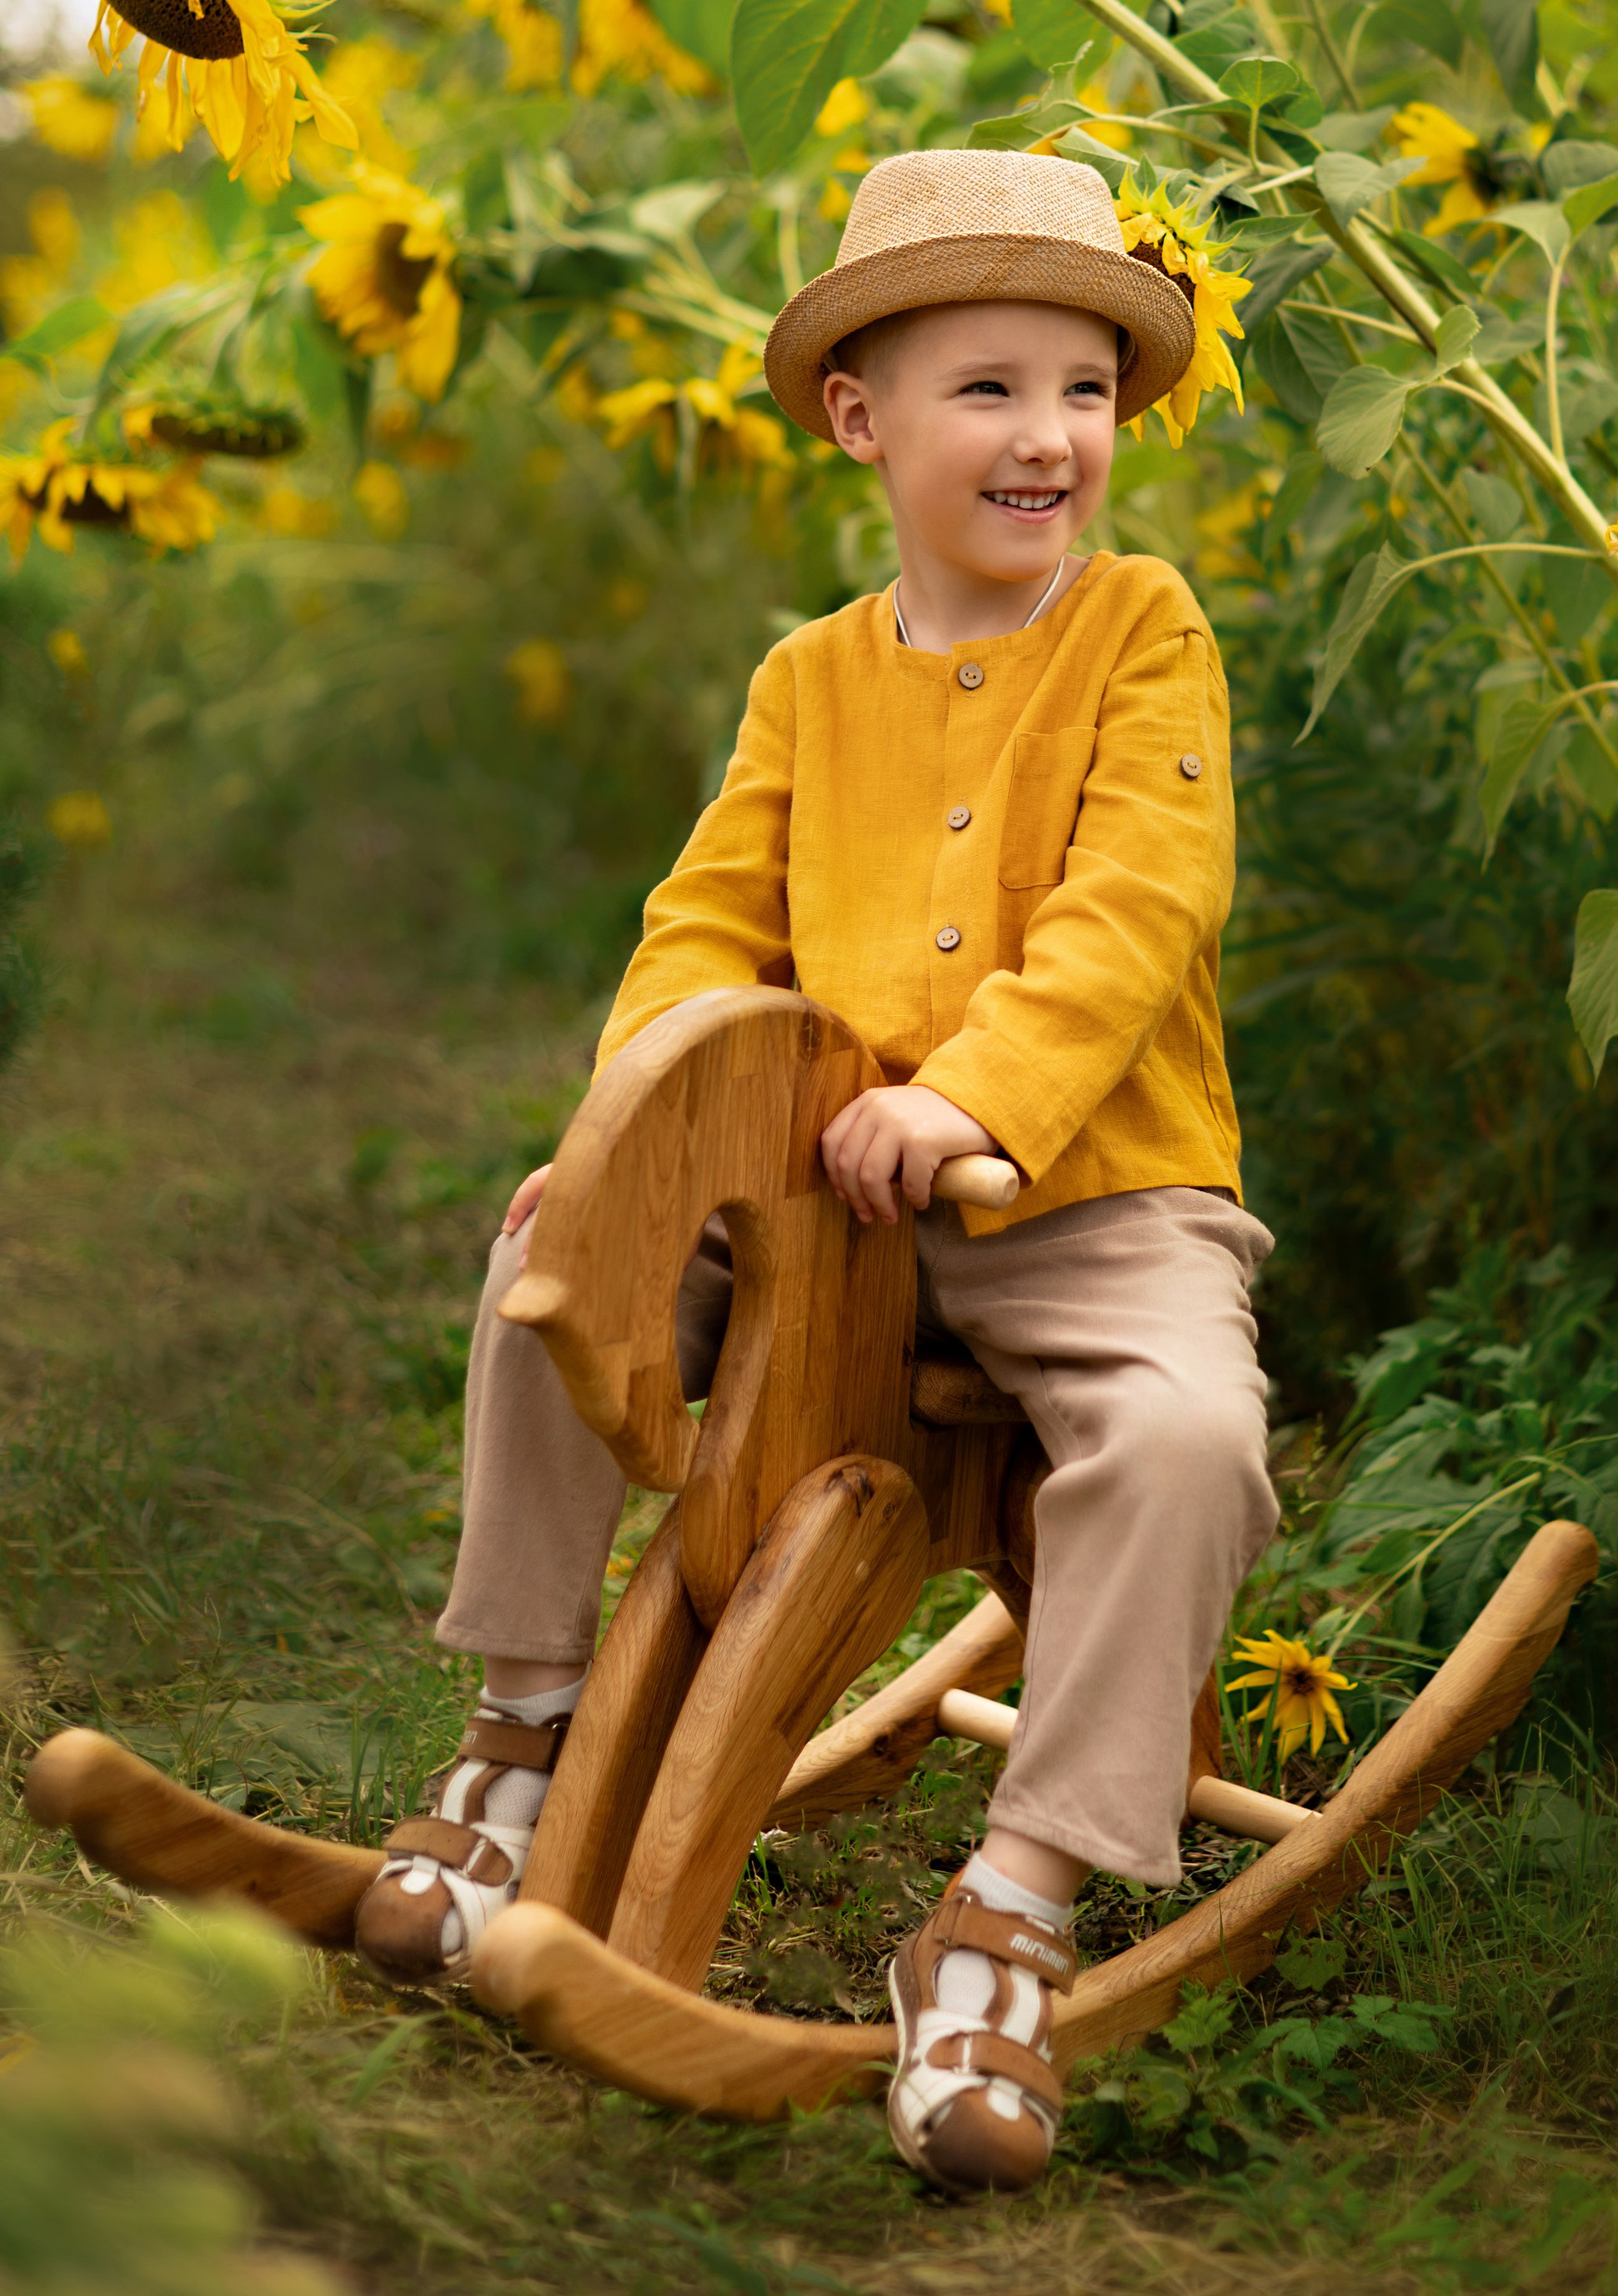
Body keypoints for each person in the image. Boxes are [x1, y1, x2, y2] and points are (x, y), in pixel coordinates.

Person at [353, 147, 1280, 2195]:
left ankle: (1013, 1902)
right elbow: (704, 928)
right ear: (861, 417)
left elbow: (1144, 897)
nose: (1049, 436)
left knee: (1193, 1437)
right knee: (549, 1269)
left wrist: (979, 1093)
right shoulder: (805, 679)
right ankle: (527, 1712)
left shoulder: (1138, 629)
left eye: (1086, 390)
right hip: (808, 1195)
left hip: (1089, 1190)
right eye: (990, 387)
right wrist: (633, 1138)